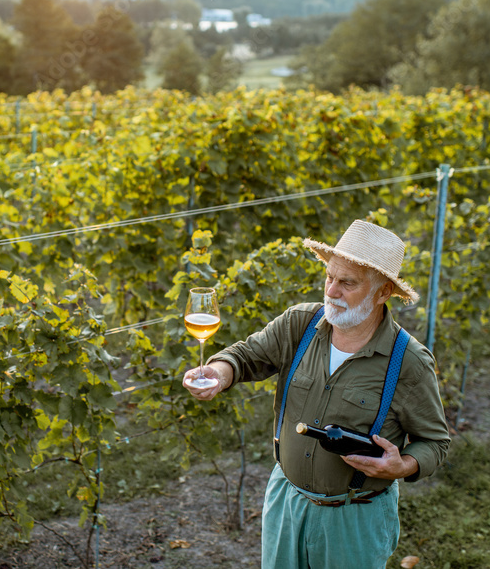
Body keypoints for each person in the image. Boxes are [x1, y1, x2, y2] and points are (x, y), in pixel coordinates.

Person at [183, 219, 450, 569]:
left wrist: (404, 465)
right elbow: (246, 356)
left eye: (347, 283)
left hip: (354, 518)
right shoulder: (301, 323)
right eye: (330, 277)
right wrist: (217, 373)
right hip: (286, 501)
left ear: (383, 292)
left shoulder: (409, 362)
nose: (332, 291)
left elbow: (435, 442)